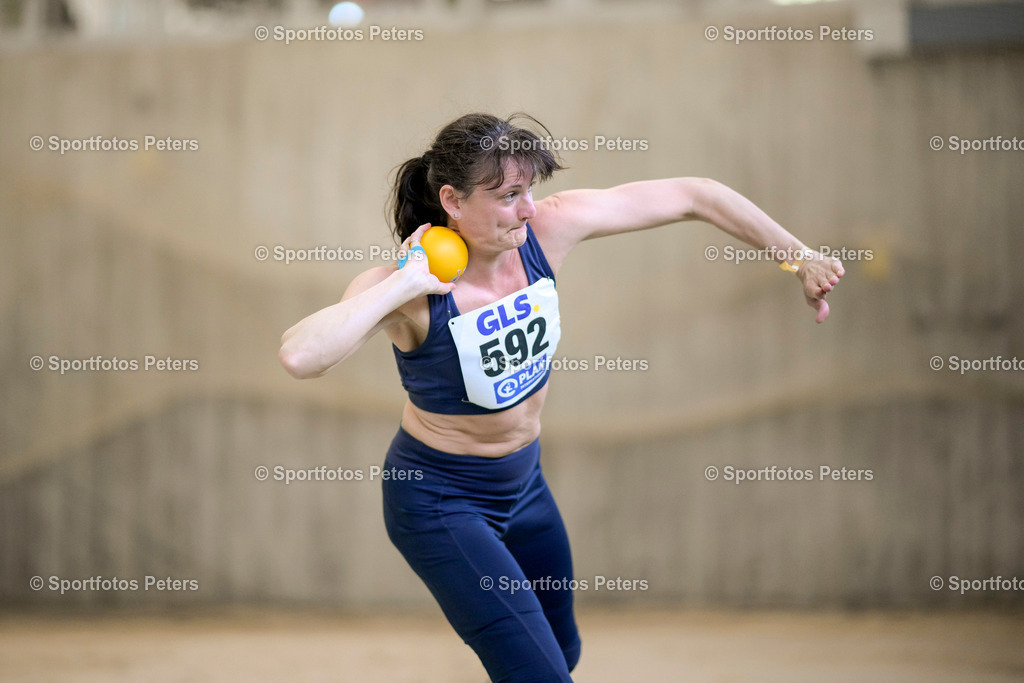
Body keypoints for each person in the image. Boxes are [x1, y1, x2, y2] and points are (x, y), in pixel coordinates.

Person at [278, 112, 844, 682]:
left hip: (525, 486)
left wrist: (801, 258)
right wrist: (405, 281)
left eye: (530, 191)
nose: (527, 208)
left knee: (560, 656)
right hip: (439, 501)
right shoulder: (403, 290)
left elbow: (695, 195)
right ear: (451, 200)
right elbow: (301, 356)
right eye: (507, 195)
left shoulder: (544, 232)